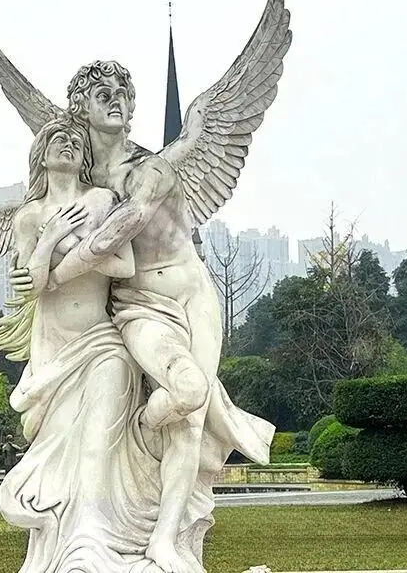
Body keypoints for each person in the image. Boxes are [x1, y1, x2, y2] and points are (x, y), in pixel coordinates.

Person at [33, 61, 276, 573]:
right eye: (103, 93)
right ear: (80, 106)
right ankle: (143, 435)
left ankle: (166, 541)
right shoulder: (83, 180)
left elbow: (115, 234)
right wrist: (45, 270)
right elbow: (52, 221)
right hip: (140, 307)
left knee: (189, 419)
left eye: (124, 92)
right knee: (186, 393)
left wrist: (52, 274)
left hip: (194, 295)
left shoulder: (152, 169)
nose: (117, 99)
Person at [0, 116, 162, 573]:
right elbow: (33, 285)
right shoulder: (27, 218)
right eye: (56, 140)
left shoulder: (100, 200)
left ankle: (91, 549)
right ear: (41, 154)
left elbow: (124, 264)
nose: (65, 145)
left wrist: (80, 248)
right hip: (52, 351)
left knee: (96, 446)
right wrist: (49, 240)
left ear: (84, 156)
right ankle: (59, 546)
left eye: (73, 141)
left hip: (102, 342)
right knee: (59, 449)